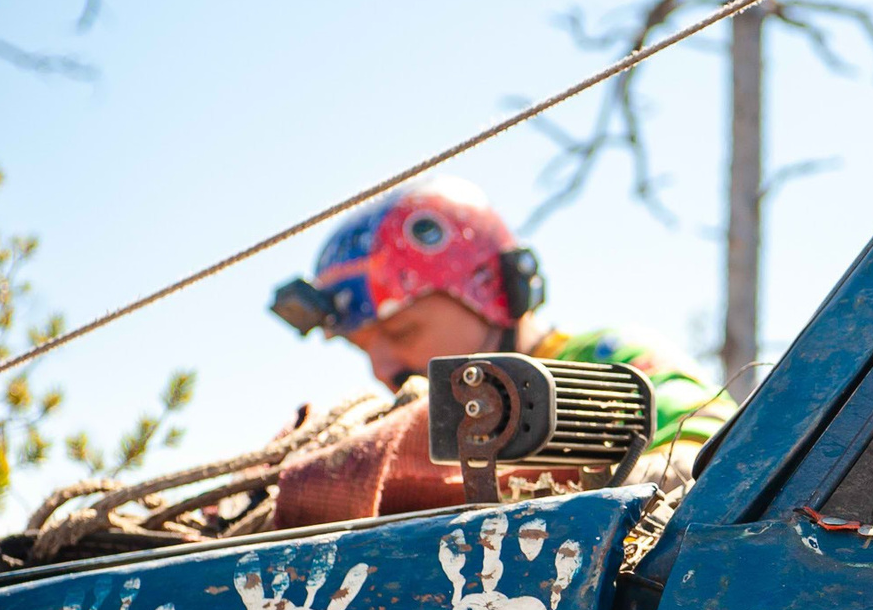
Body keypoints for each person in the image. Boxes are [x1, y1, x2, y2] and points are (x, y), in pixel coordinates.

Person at [269, 177, 730, 468]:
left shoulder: (611, 361)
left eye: (402, 331)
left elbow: (706, 442)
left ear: (498, 292)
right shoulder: (408, 438)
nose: (382, 368)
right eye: (360, 346)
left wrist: (662, 472)